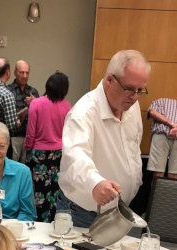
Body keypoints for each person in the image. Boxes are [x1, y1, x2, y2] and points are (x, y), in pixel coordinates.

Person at [57, 50, 151, 228]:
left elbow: (133, 145)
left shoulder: (132, 105)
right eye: (130, 89)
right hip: (83, 212)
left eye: (140, 90)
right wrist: (95, 183)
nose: (135, 96)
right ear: (110, 80)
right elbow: (75, 157)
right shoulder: (83, 112)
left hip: (118, 210)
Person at [25, 71, 71, 222]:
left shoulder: (36, 104)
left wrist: (27, 150)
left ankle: (39, 223)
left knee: (39, 192)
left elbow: (30, 133)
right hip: (59, 153)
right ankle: (53, 221)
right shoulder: (67, 106)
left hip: (39, 153)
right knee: (55, 191)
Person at [146, 98, 177, 179]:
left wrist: (172, 124)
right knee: (173, 174)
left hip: (163, 133)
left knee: (158, 172)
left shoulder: (159, 101)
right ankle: (168, 191)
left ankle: (159, 191)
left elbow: (151, 111)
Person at [8, 60, 40, 163]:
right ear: (15, 73)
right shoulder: (8, 90)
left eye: (27, 72)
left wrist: (35, 103)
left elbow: (41, 115)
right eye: (22, 72)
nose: (25, 75)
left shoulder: (33, 91)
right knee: (11, 167)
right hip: (13, 137)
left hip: (29, 137)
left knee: (26, 168)